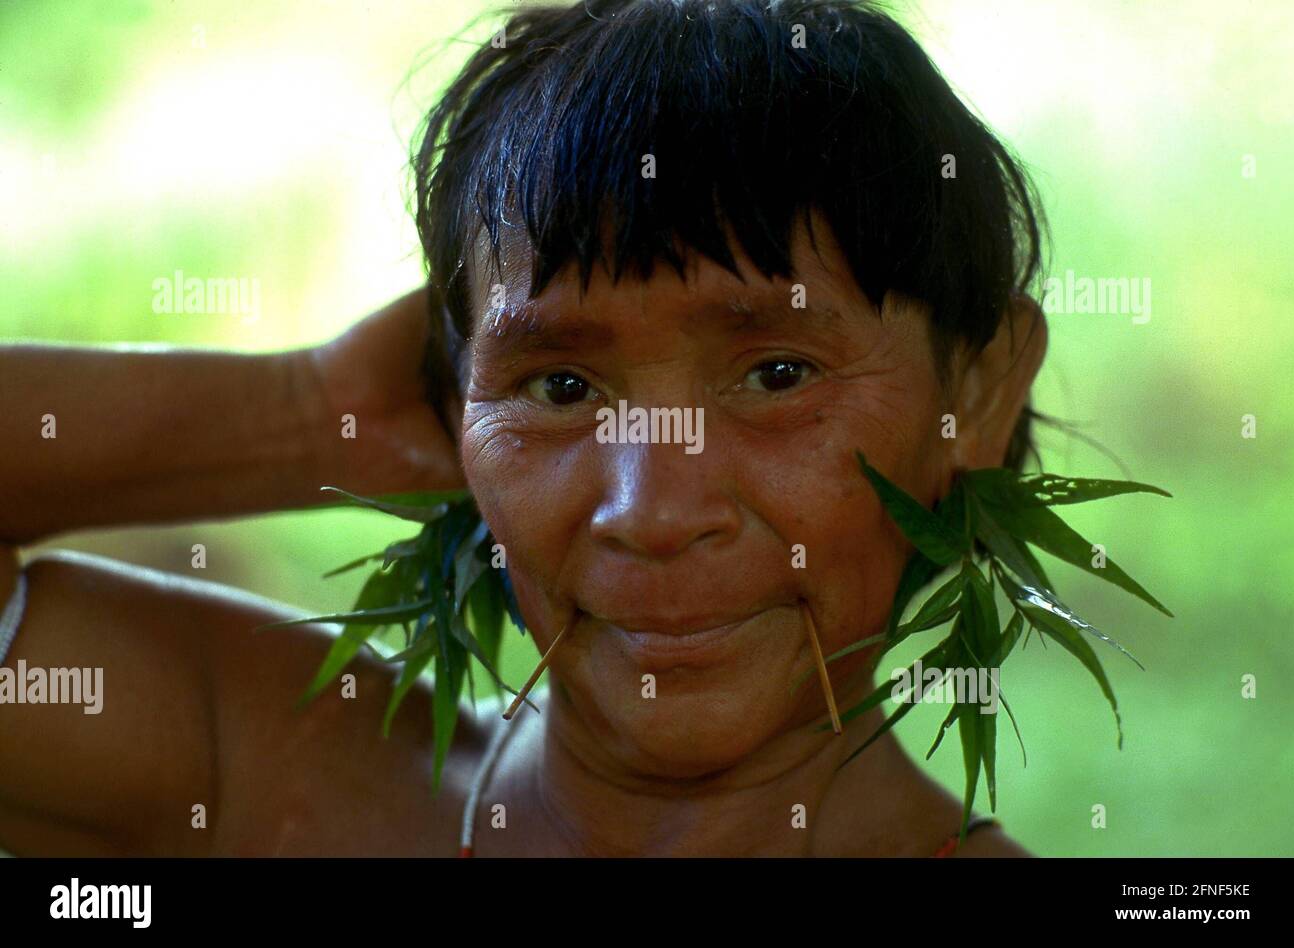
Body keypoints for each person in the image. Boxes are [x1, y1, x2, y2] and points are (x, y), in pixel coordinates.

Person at [0, 0, 1045, 856]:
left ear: (982, 390)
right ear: (455, 411)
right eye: (558, 388)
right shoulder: (277, 781)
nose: (653, 510)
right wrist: (308, 417)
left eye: (777, 374)